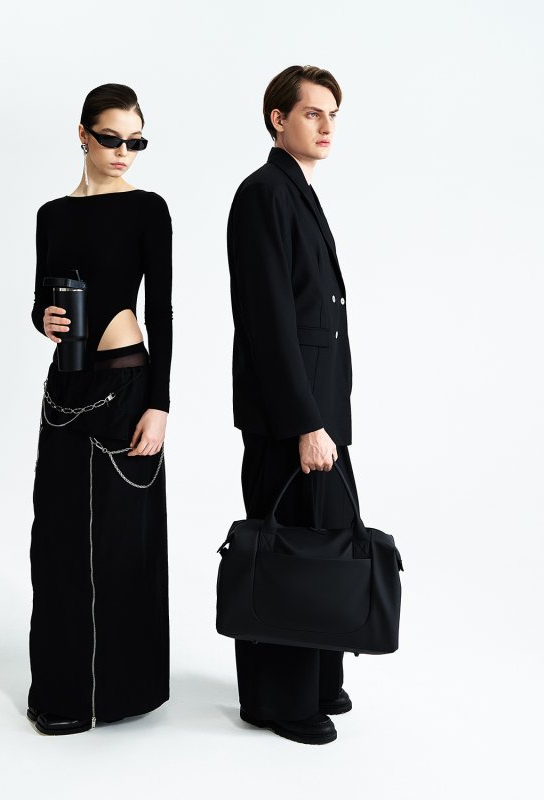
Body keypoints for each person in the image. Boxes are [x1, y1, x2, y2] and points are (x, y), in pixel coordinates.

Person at [27, 83, 172, 735]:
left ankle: (121, 694)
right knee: (56, 537)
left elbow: (162, 312)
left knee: (120, 540)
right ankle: (60, 693)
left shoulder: (147, 209)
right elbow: (39, 302)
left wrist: (160, 405)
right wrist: (44, 318)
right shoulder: (52, 215)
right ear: (83, 134)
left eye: (135, 142)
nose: (123, 152)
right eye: (111, 138)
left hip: (126, 386)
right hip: (64, 389)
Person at [226, 65, 357, 745]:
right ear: (278, 119)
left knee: (325, 542)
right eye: (312, 113)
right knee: (287, 554)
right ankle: (277, 700)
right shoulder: (263, 194)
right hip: (290, 415)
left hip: (319, 409)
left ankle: (317, 679)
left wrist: (327, 416)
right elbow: (270, 320)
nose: (327, 125)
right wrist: (305, 422)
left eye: (333, 114)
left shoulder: (296, 191)